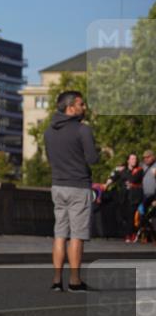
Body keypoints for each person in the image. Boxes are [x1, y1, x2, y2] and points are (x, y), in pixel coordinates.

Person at [43, 91, 98, 292]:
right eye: (81, 104)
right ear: (70, 107)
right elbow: (92, 159)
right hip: (78, 186)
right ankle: (75, 280)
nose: (84, 108)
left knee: (60, 234)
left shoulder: (49, 131)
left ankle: (57, 280)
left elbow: (50, 159)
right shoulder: (82, 130)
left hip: (57, 186)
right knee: (77, 235)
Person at [106, 154, 145, 242]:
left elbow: (132, 179)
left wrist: (119, 170)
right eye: (132, 159)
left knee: (131, 215)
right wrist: (107, 183)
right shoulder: (123, 169)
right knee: (122, 215)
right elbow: (113, 177)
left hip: (134, 196)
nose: (134, 160)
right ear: (128, 160)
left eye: (135, 159)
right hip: (123, 196)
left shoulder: (139, 170)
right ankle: (129, 232)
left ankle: (129, 235)